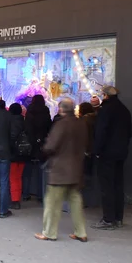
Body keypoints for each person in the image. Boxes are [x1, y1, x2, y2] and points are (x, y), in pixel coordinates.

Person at [35, 98, 88, 242]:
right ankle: (81, 232)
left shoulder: (61, 125)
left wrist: (44, 150)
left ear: (60, 109)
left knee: (52, 202)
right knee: (76, 202)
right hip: (76, 169)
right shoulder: (81, 124)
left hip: (60, 170)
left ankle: (49, 232)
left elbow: (51, 146)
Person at [92, 86, 132, 230]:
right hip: (121, 153)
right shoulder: (124, 110)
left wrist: (96, 151)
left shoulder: (105, 110)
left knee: (107, 186)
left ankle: (108, 219)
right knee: (118, 185)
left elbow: (100, 132)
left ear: (105, 96)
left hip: (107, 153)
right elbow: (129, 133)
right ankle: (118, 218)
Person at [24, 94, 52, 202]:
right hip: (42, 143)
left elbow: (27, 127)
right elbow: (49, 126)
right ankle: (41, 195)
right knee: (41, 170)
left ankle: (26, 193)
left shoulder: (29, 111)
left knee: (28, 170)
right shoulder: (45, 111)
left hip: (30, 143)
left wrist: (32, 139)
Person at [9, 103, 27, 210]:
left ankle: (15, 200)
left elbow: (11, 137)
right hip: (24, 152)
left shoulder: (10, 122)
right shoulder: (24, 120)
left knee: (13, 178)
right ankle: (17, 197)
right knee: (19, 177)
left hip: (13, 153)